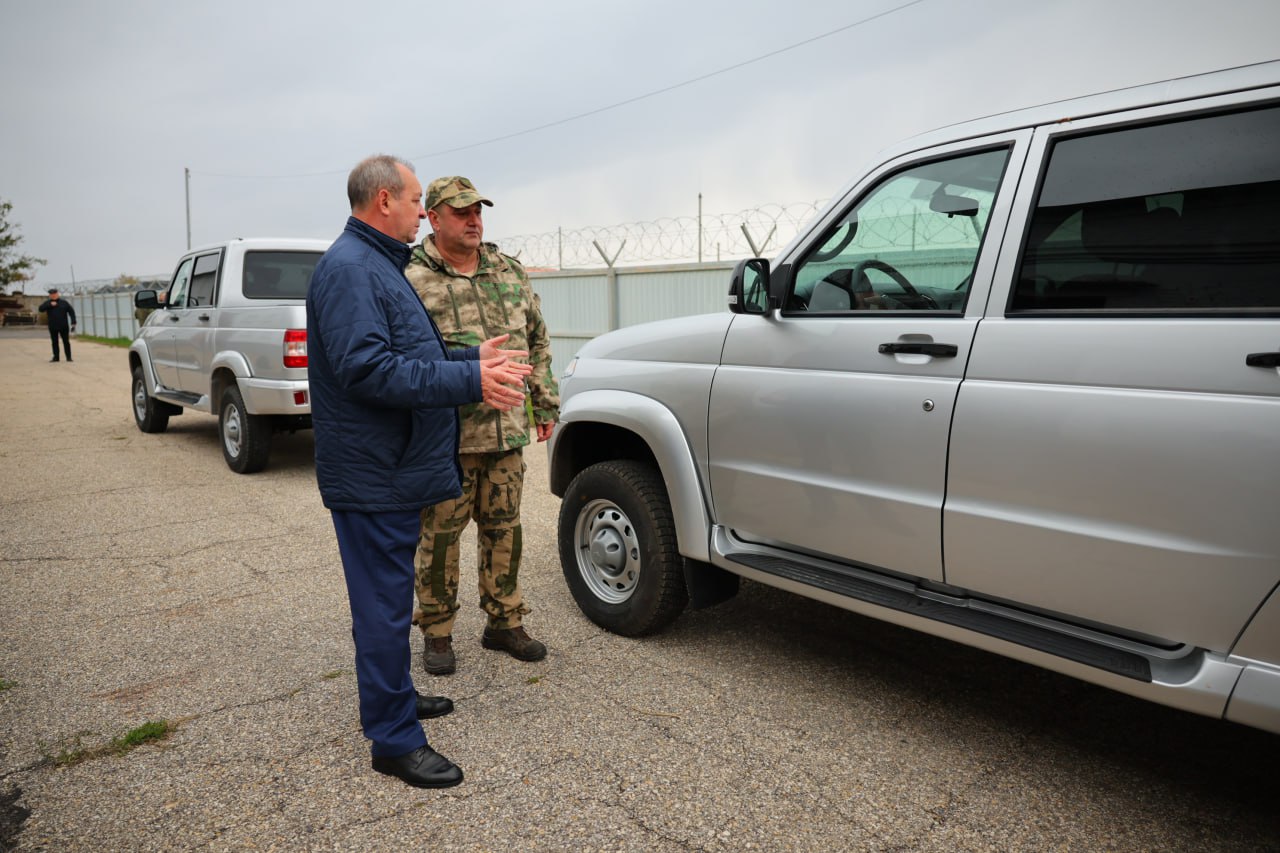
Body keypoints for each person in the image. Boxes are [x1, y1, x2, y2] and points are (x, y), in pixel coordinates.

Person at [306, 155, 533, 789]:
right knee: (382, 608)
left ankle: (393, 703)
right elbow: (367, 369)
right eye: (412, 201)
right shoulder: (353, 269)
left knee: (386, 600)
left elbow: (405, 350)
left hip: (390, 470)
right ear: (384, 201)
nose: (419, 213)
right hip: (374, 474)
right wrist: (469, 378)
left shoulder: (375, 262)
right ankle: (394, 740)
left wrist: (466, 356)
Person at [405, 177, 560, 676]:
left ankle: (504, 621)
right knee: (440, 537)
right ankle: (438, 631)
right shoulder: (410, 277)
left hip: (505, 428)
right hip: (445, 436)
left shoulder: (508, 271)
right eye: (461, 212)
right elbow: (407, 358)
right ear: (433, 217)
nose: (474, 221)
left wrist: (545, 403)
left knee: (503, 529)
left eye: (478, 211)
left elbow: (536, 339)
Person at [38, 288, 76, 362]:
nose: (53, 296)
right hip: (53, 326)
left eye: (54, 294)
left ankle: (68, 357)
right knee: (54, 342)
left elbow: (71, 312)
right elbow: (40, 309)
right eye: (51, 294)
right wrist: (49, 305)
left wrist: (73, 321)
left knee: (66, 341)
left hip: (63, 326)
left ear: (57, 294)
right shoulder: (48, 303)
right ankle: (56, 357)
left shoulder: (64, 303)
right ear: (49, 295)